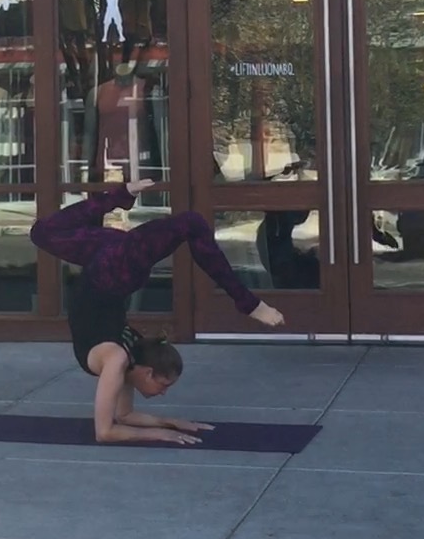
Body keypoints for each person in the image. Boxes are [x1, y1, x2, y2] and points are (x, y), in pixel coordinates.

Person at [30, 178, 285, 446]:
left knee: (44, 233)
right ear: (147, 372)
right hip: (112, 263)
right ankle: (249, 304)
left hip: (112, 267)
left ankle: (121, 195)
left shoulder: (118, 359)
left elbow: (113, 424)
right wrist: (167, 426)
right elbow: (114, 425)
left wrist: (164, 427)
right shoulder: (126, 353)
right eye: (164, 385)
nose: (162, 393)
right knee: (40, 233)